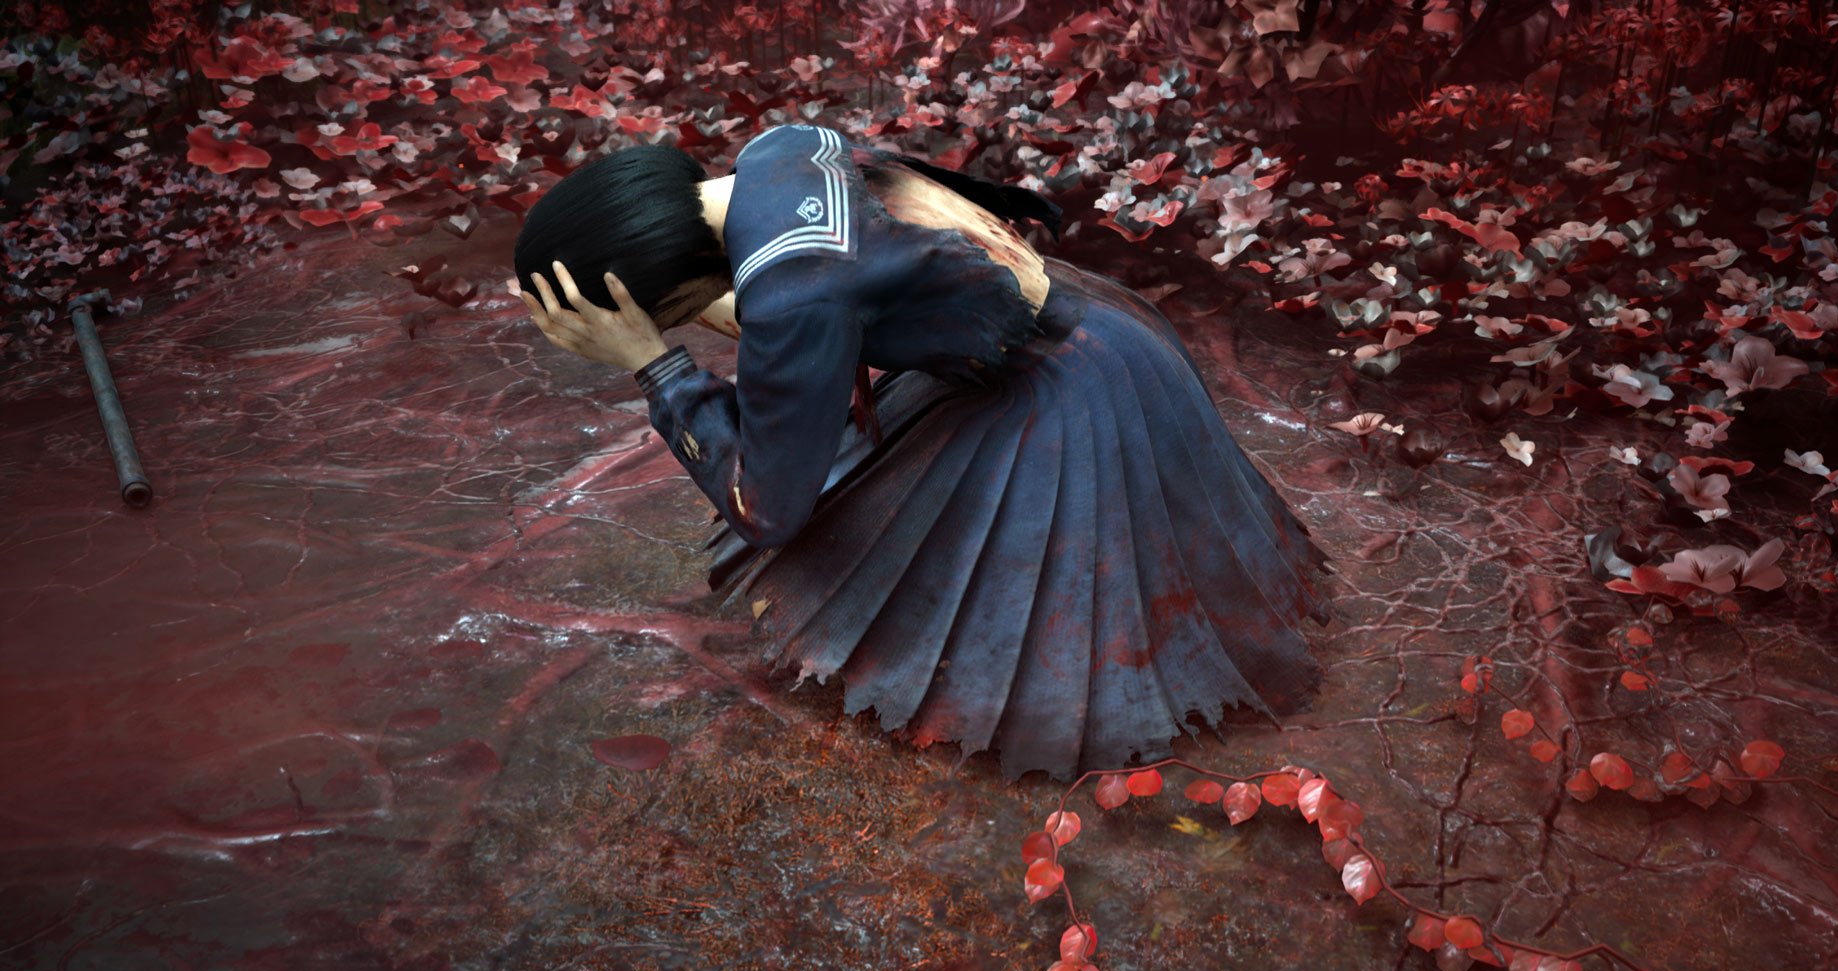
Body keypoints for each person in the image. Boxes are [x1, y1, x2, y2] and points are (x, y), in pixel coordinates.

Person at [512, 123, 1332, 782]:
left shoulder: (795, 296)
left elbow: (768, 507)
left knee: (1061, 642)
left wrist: (653, 362)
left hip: (1065, 392)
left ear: (654, 289)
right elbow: (829, 281)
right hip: (1090, 321)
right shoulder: (779, 150)